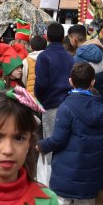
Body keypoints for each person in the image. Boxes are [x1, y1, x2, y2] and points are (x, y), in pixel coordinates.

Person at [39, 63, 103, 205]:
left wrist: (41, 145)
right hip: (89, 173)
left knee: (62, 203)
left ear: (70, 81)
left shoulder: (66, 107)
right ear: (93, 81)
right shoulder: (101, 108)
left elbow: (58, 139)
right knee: (85, 204)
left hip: (66, 171)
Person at [35, 22, 74, 156]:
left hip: (51, 104)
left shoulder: (44, 56)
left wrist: (39, 97)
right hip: (68, 104)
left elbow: (41, 83)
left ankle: (52, 176)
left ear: (47, 37)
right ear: (63, 37)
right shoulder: (70, 57)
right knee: (66, 143)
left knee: (50, 145)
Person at [69, 25, 103, 106]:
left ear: (74, 39)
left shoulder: (76, 60)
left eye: (70, 39)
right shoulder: (102, 52)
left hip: (86, 105)